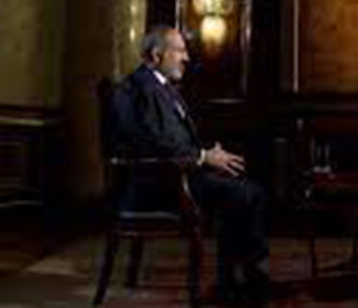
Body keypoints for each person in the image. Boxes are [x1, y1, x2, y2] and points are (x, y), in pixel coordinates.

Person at [111, 25, 269, 304]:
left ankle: (238, 275)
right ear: (157, 54)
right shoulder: (139, 88)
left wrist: (207, 155)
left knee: (248, 189)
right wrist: (203, 157)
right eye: (180, 51)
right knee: (243, 194)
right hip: (157, 185)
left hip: (177, 174)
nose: (187, 58)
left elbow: (172, 140)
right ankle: (238, 277)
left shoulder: (161, 86)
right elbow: (154, 144)